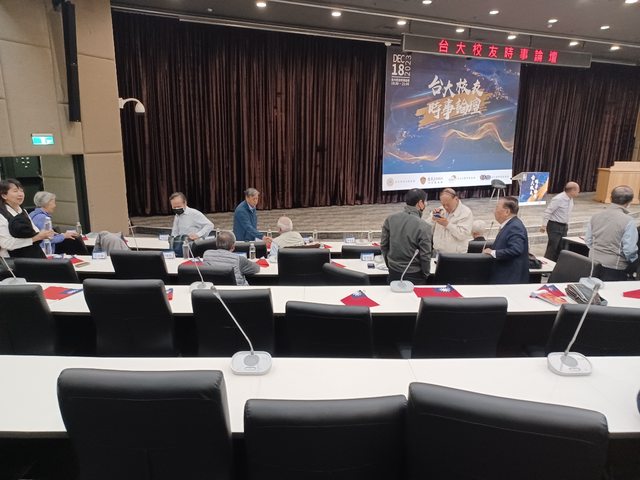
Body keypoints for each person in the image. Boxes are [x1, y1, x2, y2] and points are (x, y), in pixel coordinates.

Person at [585, 185, 638, 281]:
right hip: (615, 267)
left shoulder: (595, 216)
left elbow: (588, 240)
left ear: (610, 198)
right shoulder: (628, 221)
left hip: (592, 262)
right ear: (629, 202)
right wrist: (634, 262)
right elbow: (629, 250)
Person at [381, 188, 432, 285]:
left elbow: (384, 245)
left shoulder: (390, 219)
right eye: (425, 202)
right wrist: (426, 274)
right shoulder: (424, 226)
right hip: (415, 275)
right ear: (420, 203)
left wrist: (389, 264)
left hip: (393, 271)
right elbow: (425, 255)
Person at [0, 179, 53, 258]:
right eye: (15, 191)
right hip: (14, 260)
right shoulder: (1, 215)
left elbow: (34, 230)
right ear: (4, 195)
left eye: (21, 191)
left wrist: (43, 234)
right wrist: (35, 238)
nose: (20, 194)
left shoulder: (23, 211)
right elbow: (6, 244)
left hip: (32, 254)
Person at [484, 196, 529, 284]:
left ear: (507, 212)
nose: (494, 211)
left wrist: (493, 252)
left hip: (509, 279)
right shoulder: (510, 225)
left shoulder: (515, 227)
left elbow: (516, 249)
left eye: (497, 207)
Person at [540, 181, 580, 261]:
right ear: (572, 190)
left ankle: (557, 264)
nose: (579, 192)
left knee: (562, 247)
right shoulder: (558, 199)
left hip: (564, 226)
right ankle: (547, 263)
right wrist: (544, 225)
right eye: (578, 190)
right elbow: (548, 211)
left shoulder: (570, 199)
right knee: (553, 247)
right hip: (554, 225)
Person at [428, 188, 474, 253]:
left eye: (448, 205)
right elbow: (427, 229)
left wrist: (447, 224)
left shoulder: (466, 212)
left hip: (456, 254)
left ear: (456, 199)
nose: (446, 207)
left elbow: (463, 235)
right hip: (437, 252)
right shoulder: (440, 210)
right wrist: (432, 219)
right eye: (443, 205)